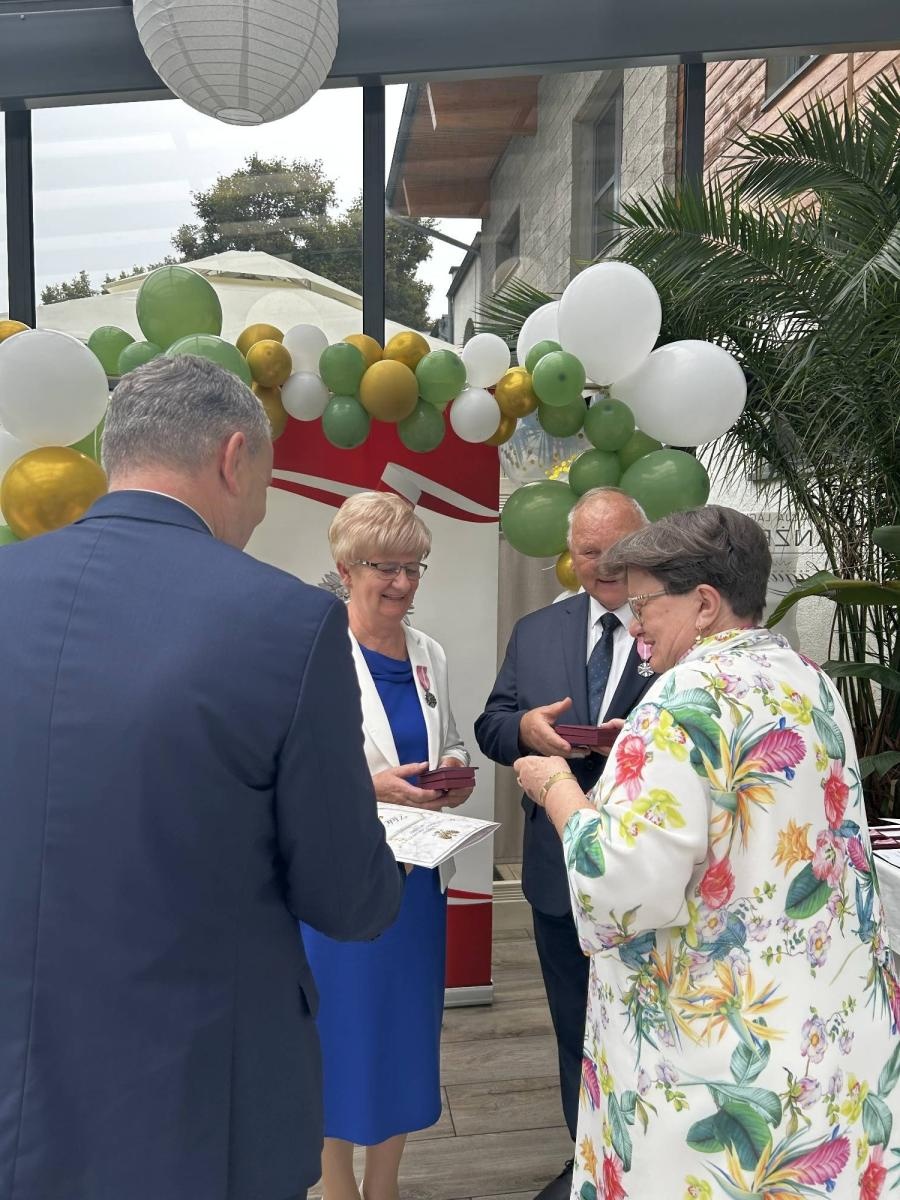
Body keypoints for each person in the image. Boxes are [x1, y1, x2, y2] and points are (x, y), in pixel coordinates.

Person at [0, 356, 404, 1200]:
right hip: (193, 1102)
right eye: (264, 482)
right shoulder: (287, 622)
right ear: (233, 458)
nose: (258, 512)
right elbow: (346, 897)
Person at [515, 505, 900, 1200]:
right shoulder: (809, 680)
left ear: (702, 604)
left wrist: (557, 788)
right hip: (824, 1034)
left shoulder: (678, 700)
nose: (634, 623)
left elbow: (624, 888)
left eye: (643, 604)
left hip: (714, 1064)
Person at [475, 487, 655, 1200]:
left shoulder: (677, 630)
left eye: (618, 553)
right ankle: (584, 1158)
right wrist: (525, 732)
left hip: (647, 874)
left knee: (644, 1024)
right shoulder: (537, 631)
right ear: (569, 553)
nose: (605, 567)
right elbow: (494, 721)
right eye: (589, 553)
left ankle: (642, 1165)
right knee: (572, 1023)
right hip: (558, 875)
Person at [301, 491, 474, 1200]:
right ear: (346, 568)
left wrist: (454, 777)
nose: (403, 584)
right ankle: (336, 1185)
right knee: (337, 1039)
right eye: (386, 568)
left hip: (416, 885)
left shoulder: (428, 653)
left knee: (404, 1036)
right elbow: (294, 768)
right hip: (341, 887)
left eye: (415, 567)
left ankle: (386, 1186)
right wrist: (369, 786)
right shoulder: (313, 651)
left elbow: (451, 741)